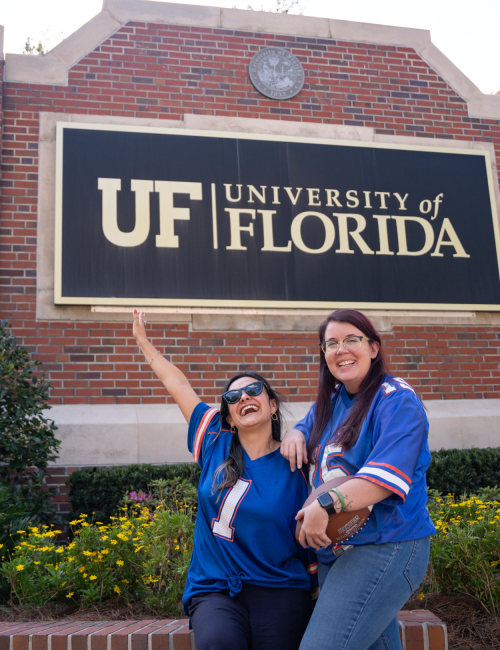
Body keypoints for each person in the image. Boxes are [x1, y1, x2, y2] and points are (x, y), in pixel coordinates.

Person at [132, 310, 316, 650]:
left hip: (280, 588)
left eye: (253, 390)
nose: (243, 397)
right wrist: (145, 344)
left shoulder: (299, 463)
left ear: (272, 404)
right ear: (228, 418)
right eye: (233, 397)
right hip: (215, 589)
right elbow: (178, 385)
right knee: (219, 643)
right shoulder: (213, 442)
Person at [281, 308, 436, 650]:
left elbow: (383, 480)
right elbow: (310, 428)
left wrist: (327, 503)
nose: (341, 349)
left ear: (374, 348)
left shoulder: (397, 401)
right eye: (331, 343)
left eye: (352, 340)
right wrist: (294, 432)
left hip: (386, 545)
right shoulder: (333, 400)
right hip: (337, 551)